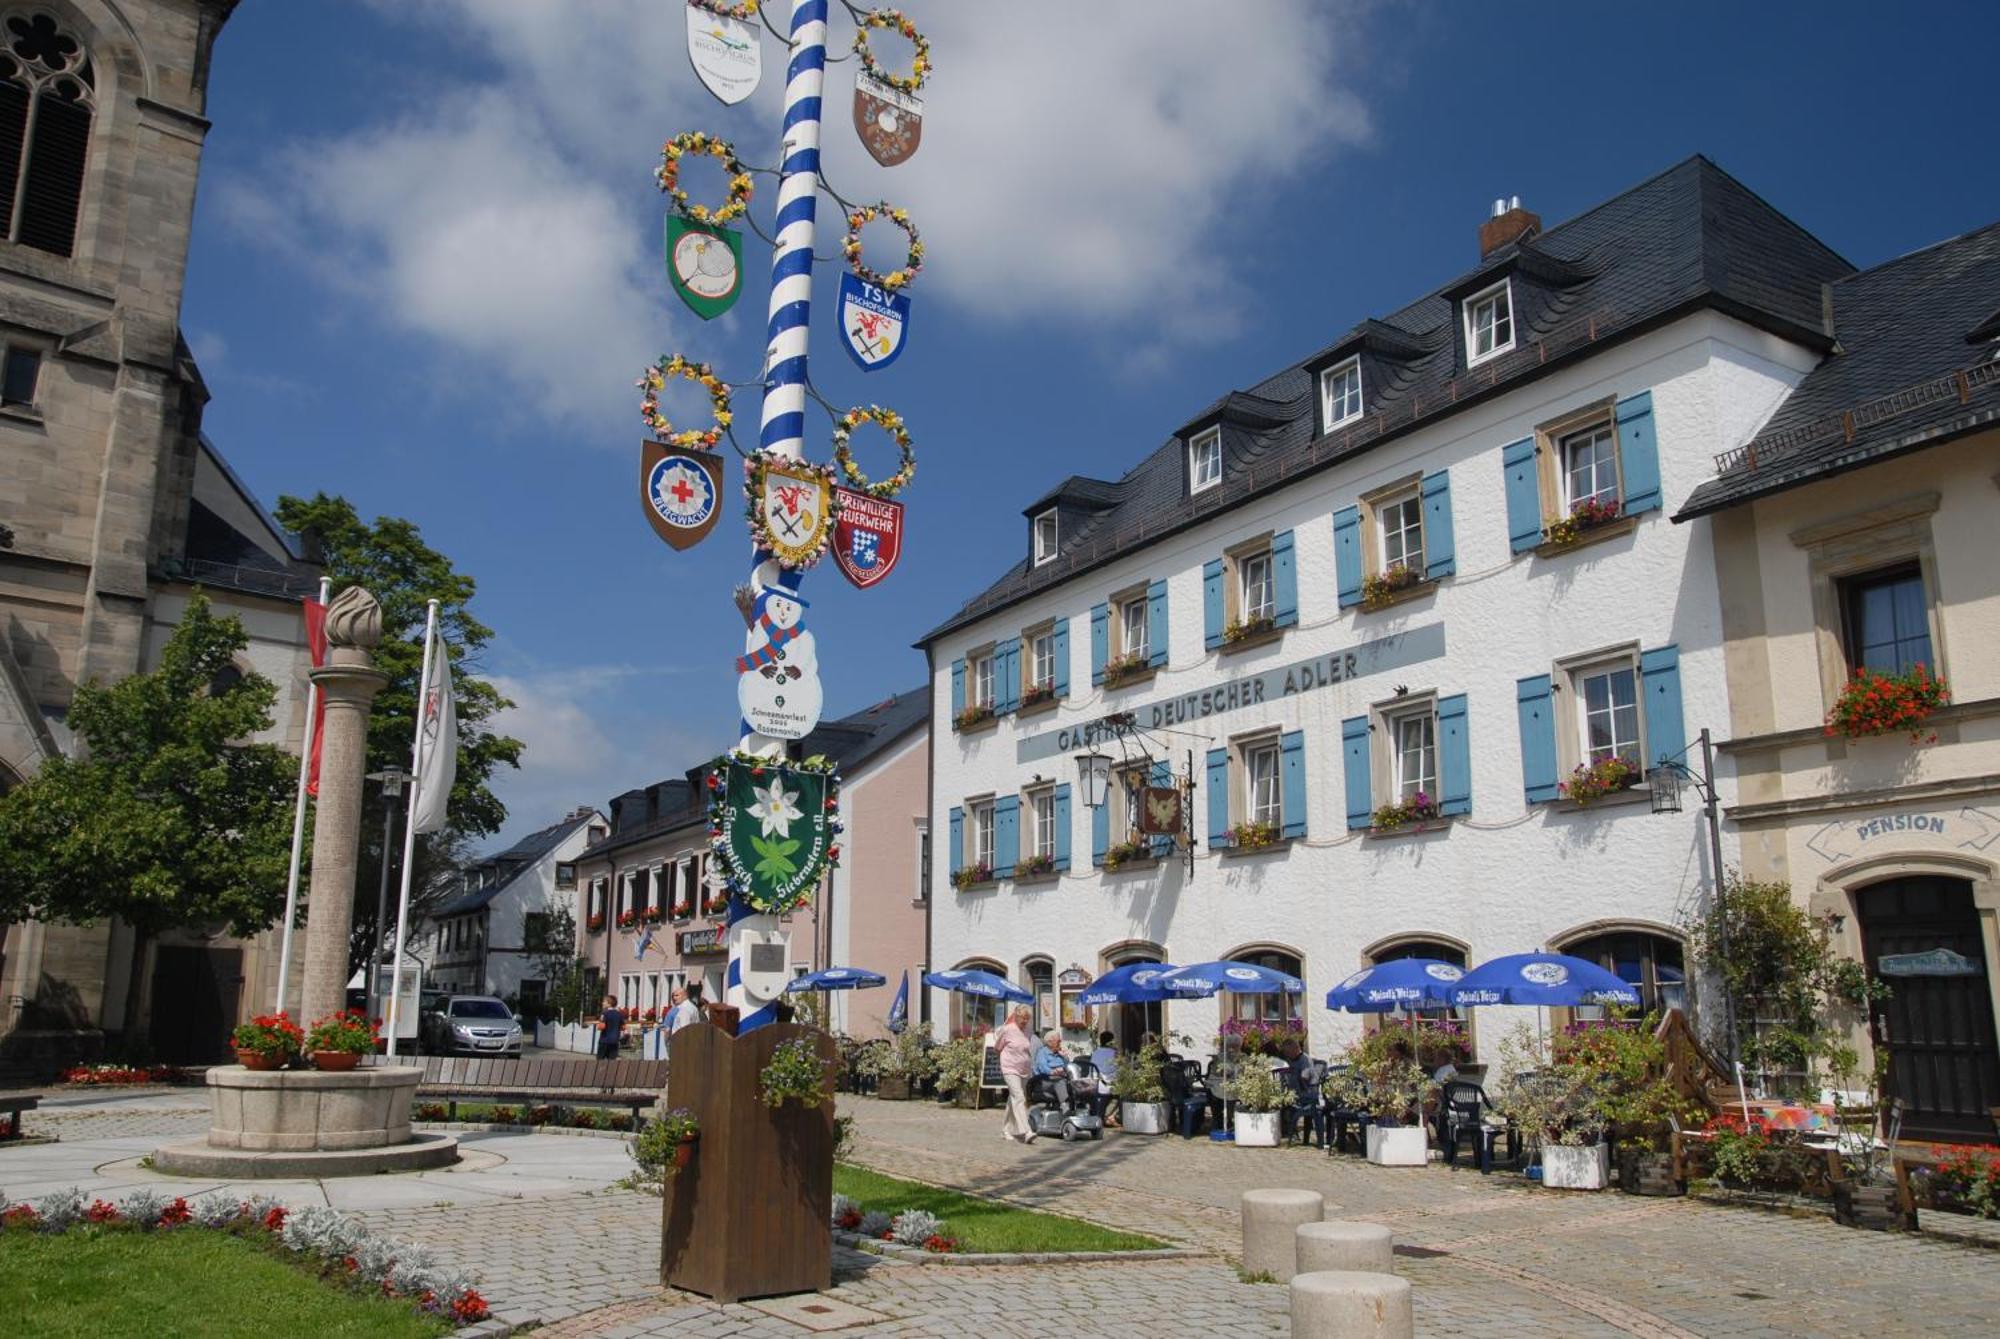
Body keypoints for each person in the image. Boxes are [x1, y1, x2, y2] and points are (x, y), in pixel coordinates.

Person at [995, 1006, 1036, 1143]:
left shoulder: (1028, 1031)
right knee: (1019, 1097)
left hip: (1023, 1069)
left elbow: (1026, 1047)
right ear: (1016, 1017)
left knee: (1013, 1099)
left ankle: (1005, 1129)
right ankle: (1026, 1130)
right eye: (1022, 1018)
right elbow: (997, 1047)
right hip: (1009, 1068)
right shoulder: (1008, 1030)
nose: (1025, 1021)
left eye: (1027, 1018)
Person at [1033, 1028, 1072, 1112]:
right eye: (1058, 1041)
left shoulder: (1060, 1054)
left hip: (1061, 1080)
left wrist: (1065, 1057)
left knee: (1074, 1084)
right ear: (1049, 1042)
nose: (1060, 1043)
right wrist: (1054, 1072)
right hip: (1045, 1081)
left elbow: (1069, 1068)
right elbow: (1043, 1068)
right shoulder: (1042, 1053)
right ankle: (1065, 1106)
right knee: (1059, 1081)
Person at [1087, 1030, 1119, 1122]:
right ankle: (1109, 1115)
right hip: (1106, 1084)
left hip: (1094, 1083)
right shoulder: (1114, 1053)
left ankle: (1104, 1115)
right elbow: (1116, 1070)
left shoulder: (1095, 1052)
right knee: (1123, 1093)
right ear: (1111, 1041)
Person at [597, 994, 624, 1060]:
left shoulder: (605, 1013)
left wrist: (598, 1025)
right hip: (615, 1041)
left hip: (604, 1041)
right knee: (612, 1062)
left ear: (609, 1003)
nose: (602, 1003)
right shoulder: (619, 1014)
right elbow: (623, 1027)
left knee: (600, 1061)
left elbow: (601, 1027)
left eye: (604, 1002)